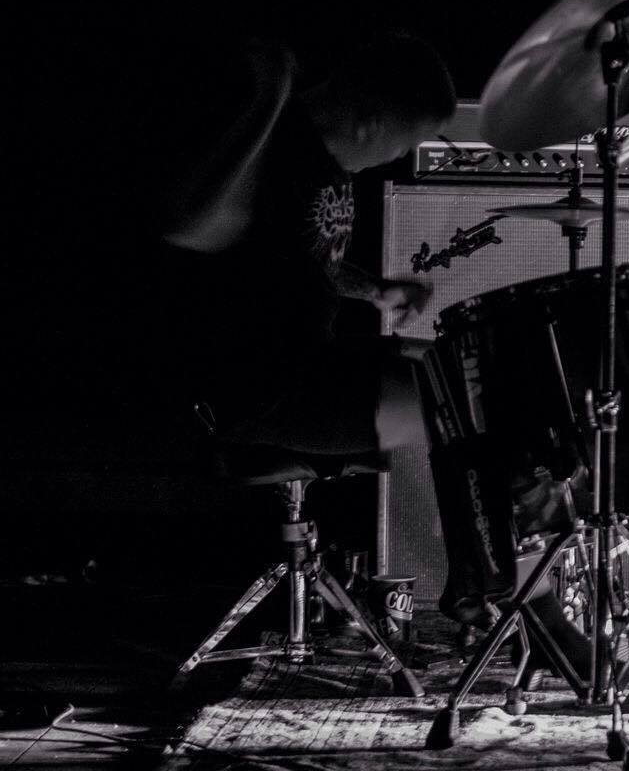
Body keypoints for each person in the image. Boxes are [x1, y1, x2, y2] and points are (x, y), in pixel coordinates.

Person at [155, 28, 454, 454]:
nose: (399, 158)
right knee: (460, 400)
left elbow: (309, 258)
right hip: (258, 385)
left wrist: (375, 290)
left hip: (311, 358)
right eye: (405, 146)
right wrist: (268, 99)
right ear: (372, 125)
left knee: (461, 363)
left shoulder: (328, 162)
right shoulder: (273, 147)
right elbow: (186, 225)